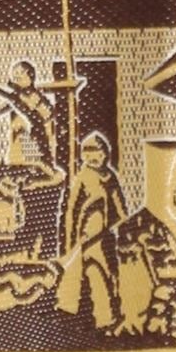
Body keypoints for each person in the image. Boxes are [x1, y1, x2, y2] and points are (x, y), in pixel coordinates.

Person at [55, 132, 129, 331]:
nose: (97, 156)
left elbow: (120, 208)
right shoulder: (83, 177)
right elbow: (71, 210)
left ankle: (104, 317)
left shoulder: (110, 176)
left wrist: (122, 227)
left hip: (106, 237)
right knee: (92, 272)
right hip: (87, 237)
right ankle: (100, 318)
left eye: (100, 151)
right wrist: (69, 240)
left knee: (107, 274)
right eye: (90, 151)